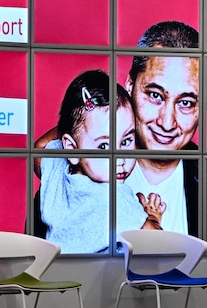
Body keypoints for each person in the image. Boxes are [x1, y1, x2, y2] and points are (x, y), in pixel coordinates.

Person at [35, 70, 164, 253]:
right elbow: (161, 245)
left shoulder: (56, 169)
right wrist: (152, 217)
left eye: (126, 141)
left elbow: (40, 146)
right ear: (71, 149)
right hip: (105, 281)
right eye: (104, 146)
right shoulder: (116, 200)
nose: (119, 158)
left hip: (57, 277)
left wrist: (78, 124)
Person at [124, 20, 199, 235]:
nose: (167, 123)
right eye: (155, 96)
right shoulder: (81, 171)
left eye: (185, 103)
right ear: (130, 86)